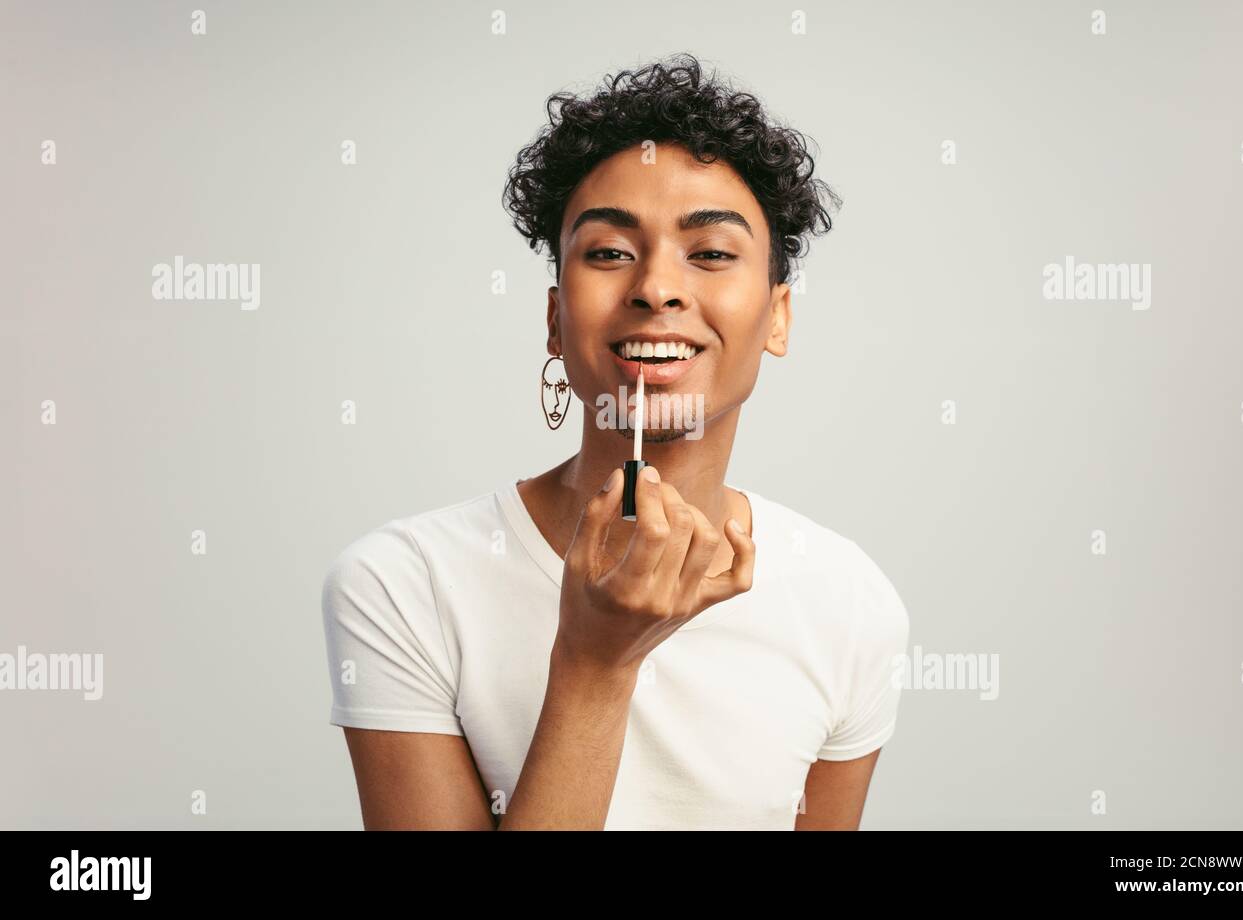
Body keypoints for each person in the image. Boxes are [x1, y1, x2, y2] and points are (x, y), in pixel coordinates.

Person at [320, 53, 910, 830]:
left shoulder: (849, 600)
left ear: (778, 317)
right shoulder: (404, 582)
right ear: (556, 319)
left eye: (711, 254)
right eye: (608, 253)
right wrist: (596, 663)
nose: (656, 288)